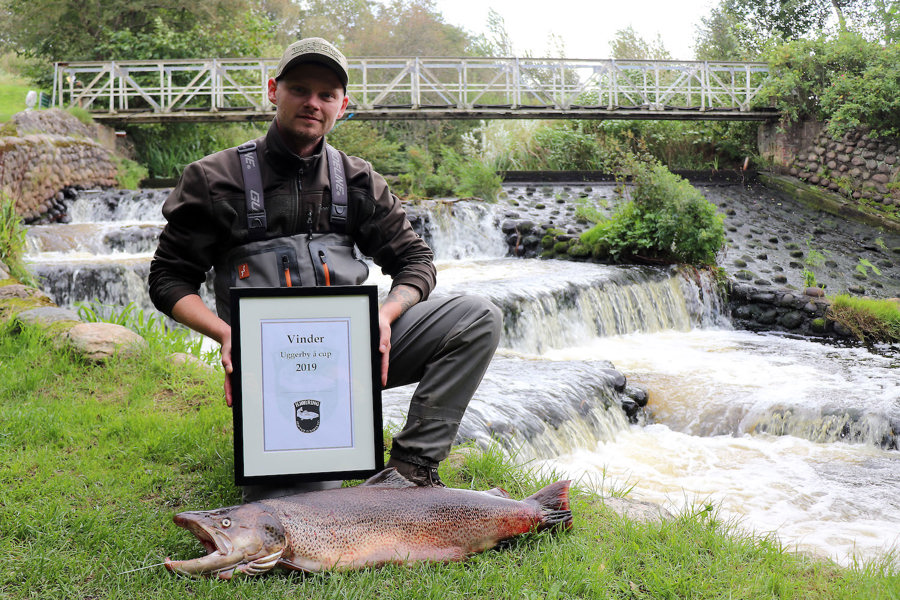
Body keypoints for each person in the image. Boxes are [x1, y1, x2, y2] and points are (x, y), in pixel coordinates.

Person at [148, 37, 501, 495]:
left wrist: (386, 315)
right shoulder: (214, 179)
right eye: (299, 89)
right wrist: (226, 335)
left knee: (477, 317)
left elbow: (415, 261)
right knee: (309, 512)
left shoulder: (358, 180)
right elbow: (168, 279)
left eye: (326, 95)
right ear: (273, 90)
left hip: (357, 353)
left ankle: (410, 469)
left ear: (342, 105)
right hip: (270, 372)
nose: (312, 103)